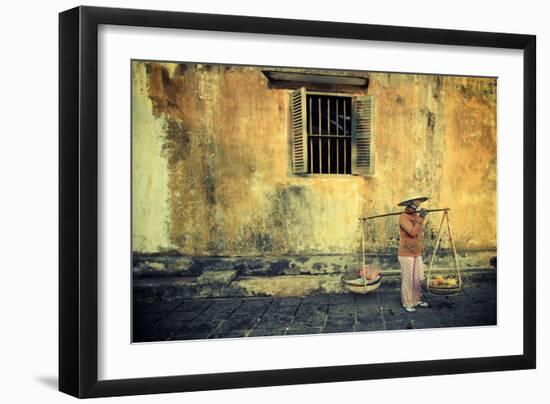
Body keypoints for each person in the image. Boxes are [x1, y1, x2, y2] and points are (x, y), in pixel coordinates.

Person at [397, 192, 430, 313]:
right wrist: (421, 218)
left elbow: (419, 233)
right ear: (408, 205)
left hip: (416, 252)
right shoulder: (403, 217)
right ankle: (407, 302)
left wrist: (421, 247)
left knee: (417, 278)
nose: (417, 205)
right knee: (408, 279)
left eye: (418, 204)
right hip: (406, 253)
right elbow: (412, 232)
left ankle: (416, 300)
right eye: (415, 204)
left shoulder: (416, 215)